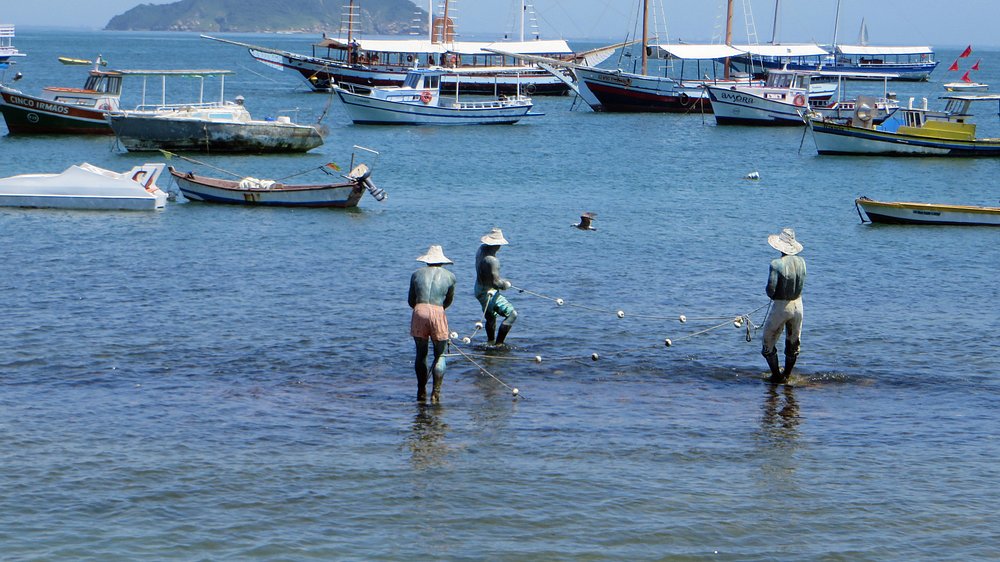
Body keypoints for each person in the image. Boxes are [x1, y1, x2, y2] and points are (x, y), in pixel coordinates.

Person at [409, 245, 457, 403]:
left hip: (419, 310)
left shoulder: (416, 274)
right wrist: (437, 312)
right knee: (440, 355)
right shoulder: (450, 276)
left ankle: (421, 390)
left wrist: (422, 310)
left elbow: (411, 300)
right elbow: (448, 301)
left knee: (421, 355)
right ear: (442, 261)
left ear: (427, 261)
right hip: (438, 311)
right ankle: (436, 393)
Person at [761, 228, 807, 384]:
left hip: (782, 306)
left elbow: (771, 290)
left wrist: (772, 294)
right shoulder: (802, 262)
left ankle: (776, 376)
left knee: (768, 343)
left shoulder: (776, 264)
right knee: (793, 342)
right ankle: (787, 375)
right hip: (798, 305)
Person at [474, 227, 518, 346]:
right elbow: (496, 282)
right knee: (512, 314)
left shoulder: (481, 249)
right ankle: (499, 345)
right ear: (497, 245)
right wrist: (505, 285)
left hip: (478, 288)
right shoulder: (493, 261)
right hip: (488, 291)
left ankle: (490, 342)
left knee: (490, 317)